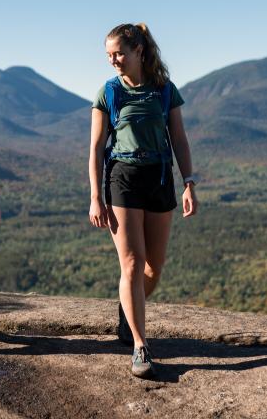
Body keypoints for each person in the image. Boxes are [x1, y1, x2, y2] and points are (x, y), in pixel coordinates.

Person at [88, 23, 198, 379]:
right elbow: (95, 149)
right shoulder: (108, 93)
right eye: (109, 55)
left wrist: (189, 182)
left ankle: (127, 307)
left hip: (160, 177)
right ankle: (139, 345)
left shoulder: (165, 91)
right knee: (132, 265)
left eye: (119, 53)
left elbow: (179, 139)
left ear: (139, 51)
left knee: (154, 268)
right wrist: (95, 197)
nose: (114, 61)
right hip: (123, 178)